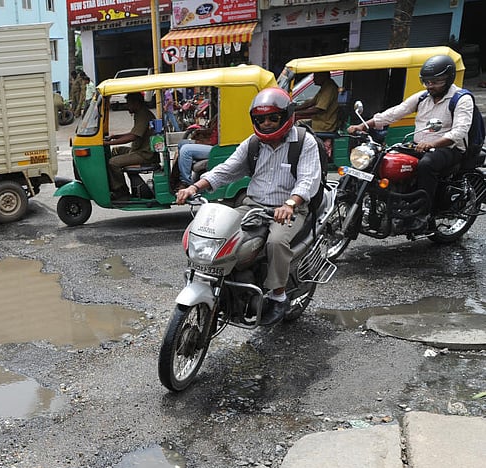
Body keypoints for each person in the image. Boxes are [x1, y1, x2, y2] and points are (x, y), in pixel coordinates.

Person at [175, 88, 321, 325]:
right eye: (260, 119)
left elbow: (308, 179)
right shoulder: (253, 144)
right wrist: (195, 187)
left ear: (286, 116)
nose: (266, 123)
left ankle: (278, 296)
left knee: (276, 242)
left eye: (273, 117)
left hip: (289, 209)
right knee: (219, 233)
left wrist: (291, 203)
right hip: (252, 205)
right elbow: (227, 169)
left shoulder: (305, 142)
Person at [347, 54, 474, 231]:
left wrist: (433, 144)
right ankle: (393, 203)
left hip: (449, 149)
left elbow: (460, 131)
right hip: (419, 146)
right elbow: (395, 113)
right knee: (385, 157)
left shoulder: (461, 99)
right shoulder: (423, 97)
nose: (430, 86)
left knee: (426, 165)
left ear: (448, 78)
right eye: (427, 82)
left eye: (436, 81)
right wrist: (363, 125)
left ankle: (422, 214)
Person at [104, 92, 156, 201]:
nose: (127, 106)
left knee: (113, 162)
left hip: (145, 154)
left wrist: (108, 143)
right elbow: (134, 133)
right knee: (115, 151)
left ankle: (121, 191)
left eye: (129, 103)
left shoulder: (143, 115)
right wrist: (115, 137)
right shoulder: (140, 113)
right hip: (138, 150)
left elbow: (133, 136)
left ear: (136, 103)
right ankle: (113, 183)